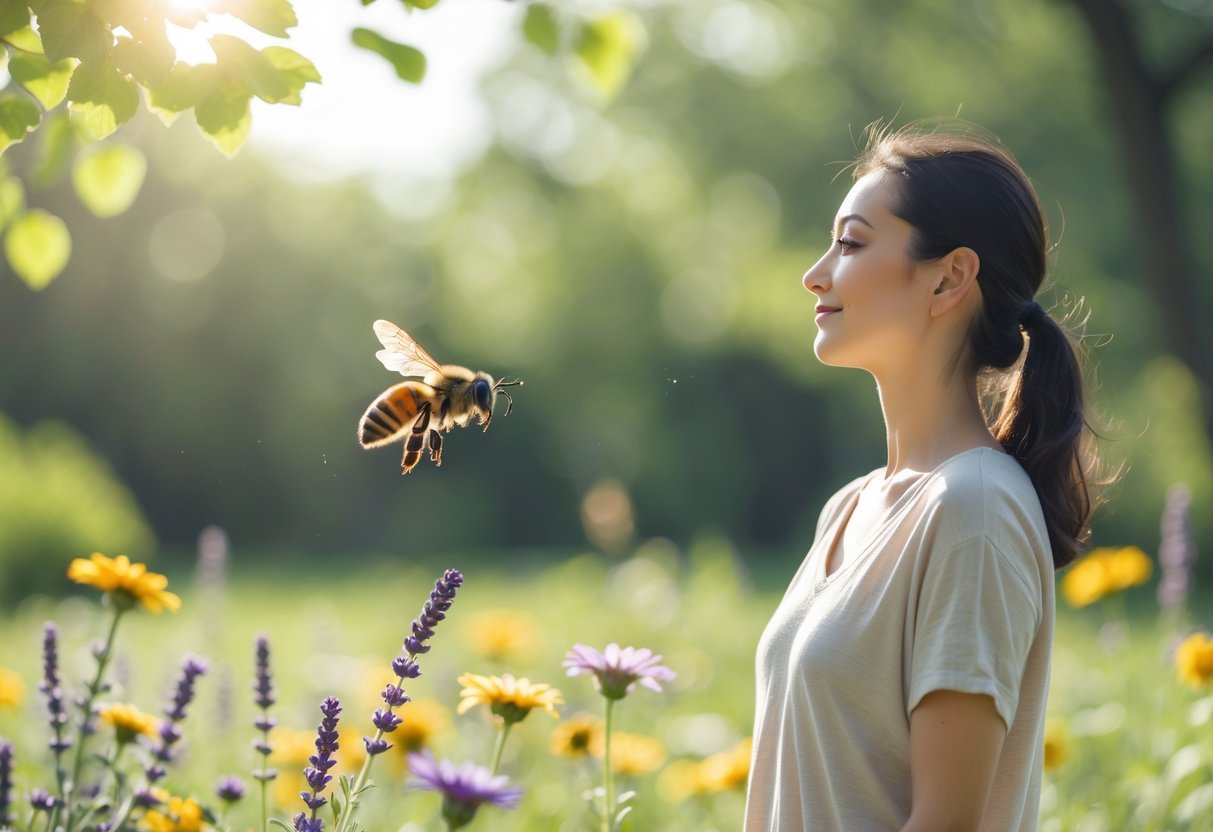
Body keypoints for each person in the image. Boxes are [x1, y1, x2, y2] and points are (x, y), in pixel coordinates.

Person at [744, 123, 1104, 831]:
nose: (814, 273)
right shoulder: (848, 508)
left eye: (849, 243)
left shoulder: (972, 511)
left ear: (948, 277)